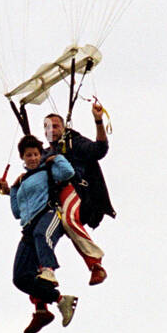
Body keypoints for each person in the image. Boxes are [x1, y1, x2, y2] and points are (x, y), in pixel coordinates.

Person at [0, 135, 79, 333]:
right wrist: (10, 190)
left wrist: (55, 158)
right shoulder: (21, 181)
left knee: (42, 235)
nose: (32, 158)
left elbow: (68, 172)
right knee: (20, 277)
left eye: (35, 154)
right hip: (28, 227)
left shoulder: (47, 170)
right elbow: (17, 212)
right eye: (28, 155)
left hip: (48, 215)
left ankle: (48, 269)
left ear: (40, 154)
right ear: (23, 158)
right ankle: (60, 301)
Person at [44, 99, 115, 287]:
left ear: (63, 127)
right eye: (47, 127)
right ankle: (42, 295)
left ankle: (95, 264)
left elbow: (99, 149)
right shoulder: (42, 154)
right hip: (51, 199)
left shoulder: (73, 142)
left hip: (76, 191)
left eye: (55, 126)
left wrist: (98, 121)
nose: (51, 129)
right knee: (38, 234)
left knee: (69, 220)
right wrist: (10, 190)